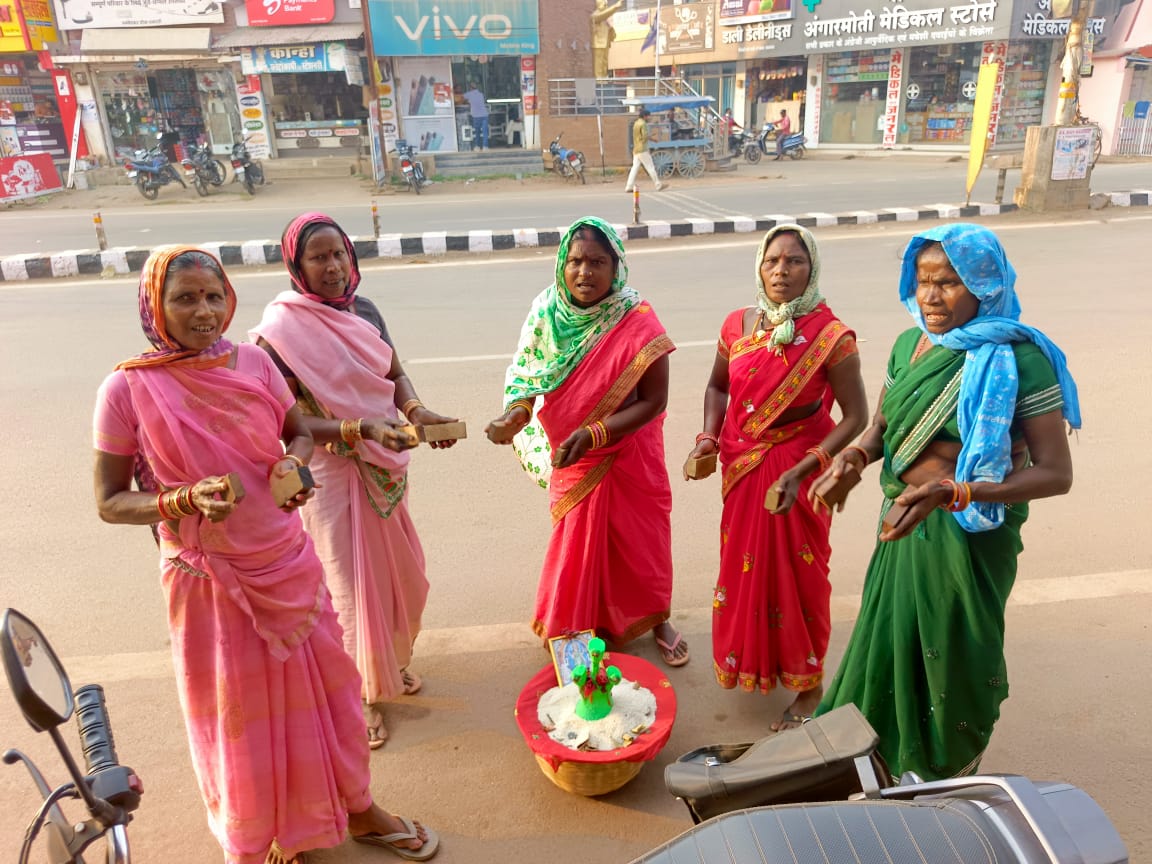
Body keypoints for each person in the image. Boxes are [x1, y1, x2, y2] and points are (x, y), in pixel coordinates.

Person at [92, 246, 439, 863]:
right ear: (154, 306)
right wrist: (180, 501)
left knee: (330, 700)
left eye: (213, 295)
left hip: (289, 563)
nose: (204, 311)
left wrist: (294, 465)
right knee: (244, 724)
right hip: (212, 586)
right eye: (185, 298)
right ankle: (270, 832)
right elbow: (111, 501)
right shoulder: (126, 388)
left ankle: (359, 811)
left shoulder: (252, 361)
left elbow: (298, 430)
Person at [813, 223, 1079, 781]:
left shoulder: (1022, 360)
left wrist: (956, 492)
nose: (931, 297)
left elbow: (1056, 474)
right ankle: (880, 755)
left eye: (950, 283)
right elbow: (882, 425)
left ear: (985, 283)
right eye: (923, 281)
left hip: (968, 537)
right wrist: (855, 461)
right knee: (889, 643)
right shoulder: (910, 345)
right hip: (906, 523)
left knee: (953, 656)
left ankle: (942, 770)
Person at [250, 213, 458, 751]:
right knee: (346, 590)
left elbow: (391, 370)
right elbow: (285, 418)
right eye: (318, 257)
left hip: (384, 462)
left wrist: (416, 410)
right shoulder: (278, 331)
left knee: (400, 580)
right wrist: (357, 427)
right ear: (296, 266)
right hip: (330, 474)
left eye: (340, 253)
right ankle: (359, 695)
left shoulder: (363, 311)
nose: (334, 266)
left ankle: (387, 663)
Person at [683, 224, 868, 730]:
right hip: (743, 466)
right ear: (759, 267)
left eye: (795, 261)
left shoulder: (832, 337)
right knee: (744, 570)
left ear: (813, 269)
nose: (782, 271)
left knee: (802, 576)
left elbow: (855, 417)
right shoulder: (736, 326)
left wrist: (808, 468)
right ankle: (755, 664)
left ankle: (809, 687)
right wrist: (707, 438)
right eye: (772, 261)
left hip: (801, 473)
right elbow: (717, 388)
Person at [484, 217, 689, 667]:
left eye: (597, 261)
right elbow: (527, 380)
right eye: (575, 261)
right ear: (562, 264)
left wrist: (596, 432)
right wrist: (513, 419)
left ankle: (656, 618)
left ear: (617, 267)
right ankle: (576, 630)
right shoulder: (546, 312)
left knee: (643, 541)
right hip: (573, 458)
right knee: (577, 548)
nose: (585, 272)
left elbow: (655, 401)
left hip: (630, 451)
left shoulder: (637, 319)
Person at [624, 108, 666, 193]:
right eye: (648, 116)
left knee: (634, 168)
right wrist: (654, 139)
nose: (648, 118)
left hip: (636, 149)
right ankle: (658, 185)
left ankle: (629, 186)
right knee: (650, 167)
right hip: (643, 149)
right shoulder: (643, 124)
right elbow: (645, 136)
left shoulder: (636, 123)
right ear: (644, 116)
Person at [590, 0, 624, 80]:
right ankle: (598, 82)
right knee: (598, 66)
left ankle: (603, 81)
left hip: (606, 45)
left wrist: (611, 27)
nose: (606, 6)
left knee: (604, 65)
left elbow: (613, 36)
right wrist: (615, 7)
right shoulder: (595, 16)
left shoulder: (606, 20)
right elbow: (603, 15)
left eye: (606, 5)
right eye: (604, 4)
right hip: (598, 45)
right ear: (599, 4)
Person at [463, 81, 489, 150]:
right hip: (484, 115)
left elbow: (461, 98)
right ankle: (485, 146)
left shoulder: (469, 94)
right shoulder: (481, 94)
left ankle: (477, 146)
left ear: (470, 88)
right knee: (484, 131)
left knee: (477, 132)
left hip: (476, 116)